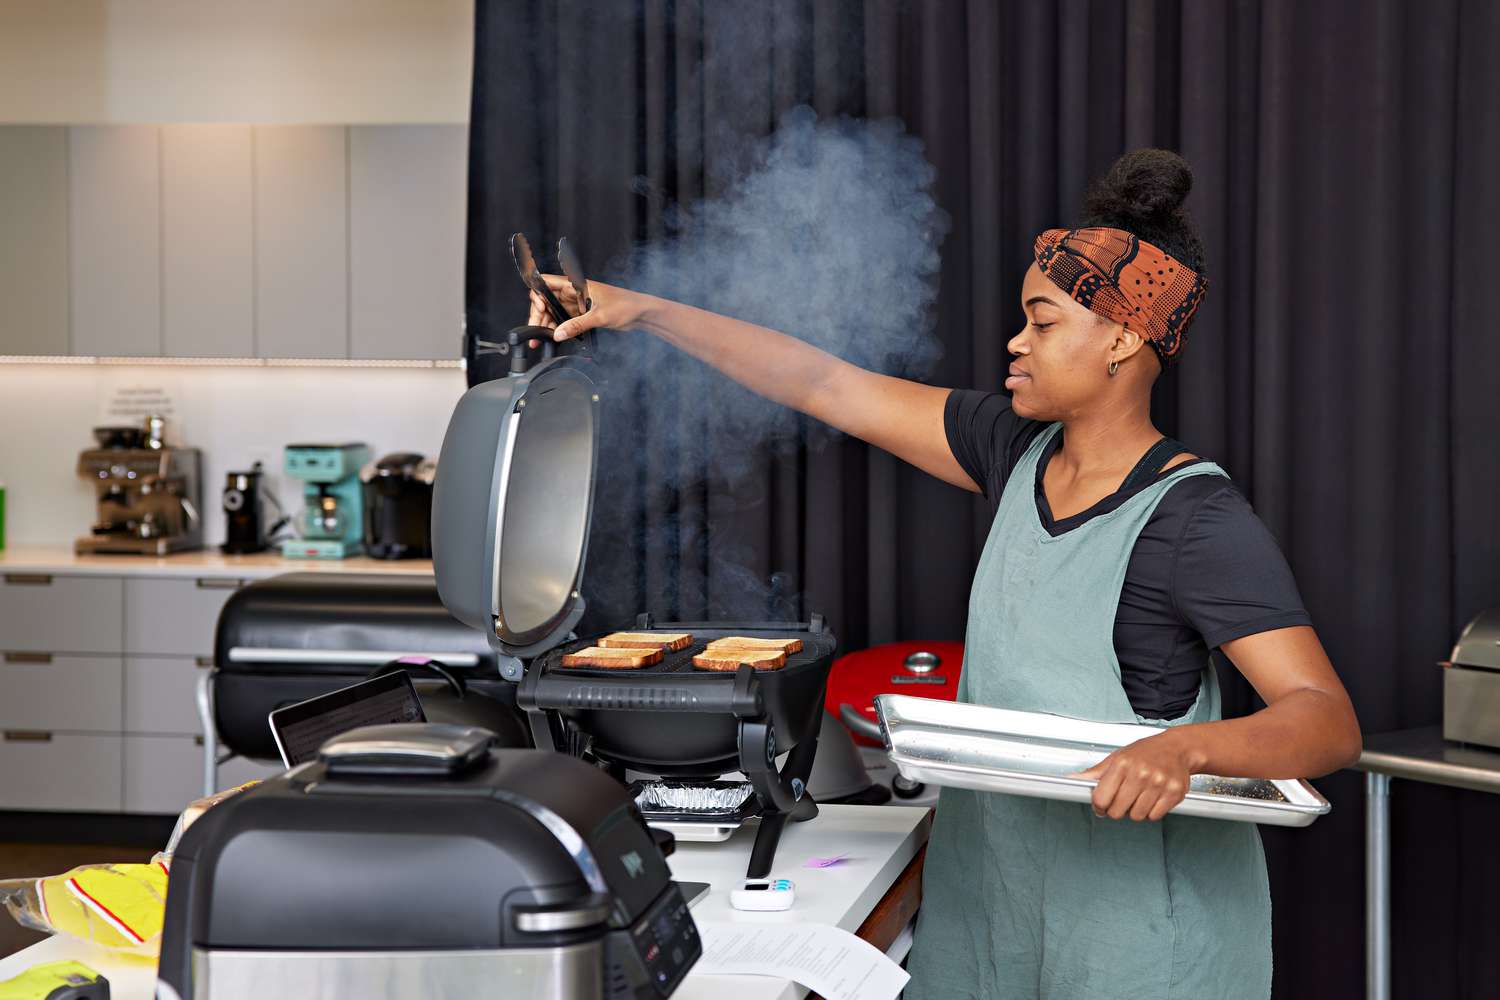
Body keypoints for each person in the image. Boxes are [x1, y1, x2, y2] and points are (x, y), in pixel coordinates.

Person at [525, 148, 1362, 999]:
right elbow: (824, 383)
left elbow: (1325, 722)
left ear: (1120, 339)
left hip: (1139, 939)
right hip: (993, 904)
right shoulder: (1013, 450)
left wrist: (1184, 750)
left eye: (1041, 322)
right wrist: (639, 310)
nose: (1016, 340)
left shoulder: (1195, 519)